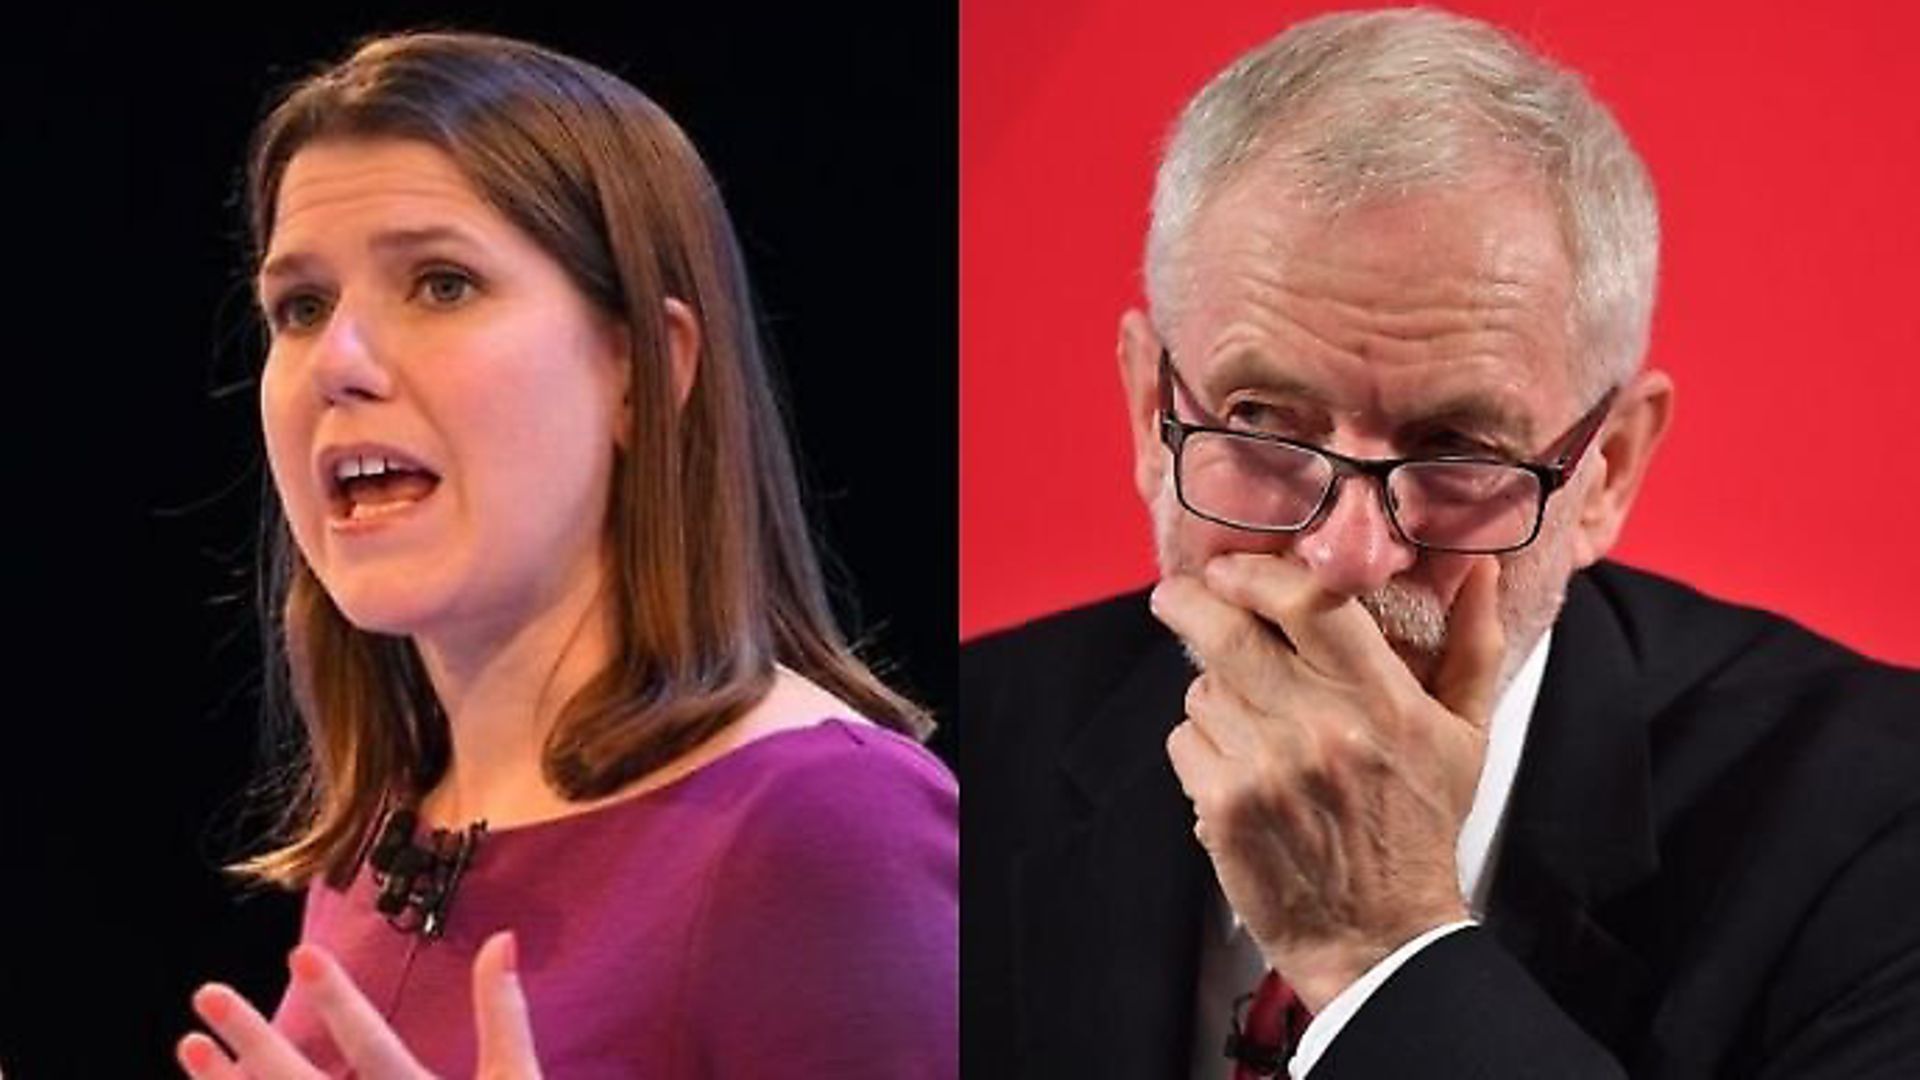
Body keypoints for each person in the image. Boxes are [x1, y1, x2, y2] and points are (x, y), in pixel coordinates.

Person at [962, 8, 1920, 1078]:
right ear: (1152, 415)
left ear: (1607, 471)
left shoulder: (1878, 826)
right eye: (1263, 426)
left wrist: (1384, 945)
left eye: (1457, 450)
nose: (1346, 556)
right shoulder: (963, 762)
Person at [174, 30, 957, 1078]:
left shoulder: (824, 829)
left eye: (442, 283)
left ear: (641, 370)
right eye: (301, 307)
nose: (339, 364)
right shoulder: (387, 835)